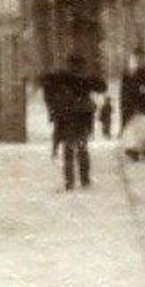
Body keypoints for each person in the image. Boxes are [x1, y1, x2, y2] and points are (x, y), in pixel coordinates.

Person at [46, 51, 104, 190]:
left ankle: (70, 181)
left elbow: (47, 84)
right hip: (82, 118)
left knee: (69, 149)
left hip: (67, 117)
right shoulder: (85, 79)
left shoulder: (62, 77)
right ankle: (84, 179)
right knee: (82, 148)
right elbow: (102, 87)